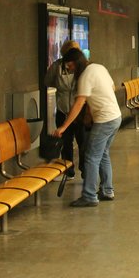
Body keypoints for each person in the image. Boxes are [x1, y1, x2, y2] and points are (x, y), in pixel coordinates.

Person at [53, 49, 122, 207]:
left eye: (69, 66)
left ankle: (90, 196)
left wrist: (64, 126)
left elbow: (79, 104)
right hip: (115, 117)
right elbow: (111, 88)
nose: (69, 70)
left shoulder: (85, 76)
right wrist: (91, 111)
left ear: (75, 62)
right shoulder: (99, 67)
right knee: (102, 154)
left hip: (104, 120)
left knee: (91, 156)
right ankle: (107, 190)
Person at [43, 40, 91, 178]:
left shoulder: (84, 68)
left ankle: (85, 170)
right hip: (63, 110)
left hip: (80, 112)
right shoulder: (57, 66)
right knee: (66, 143)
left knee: (83, 142)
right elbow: (47, 81)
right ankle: (68, 171)